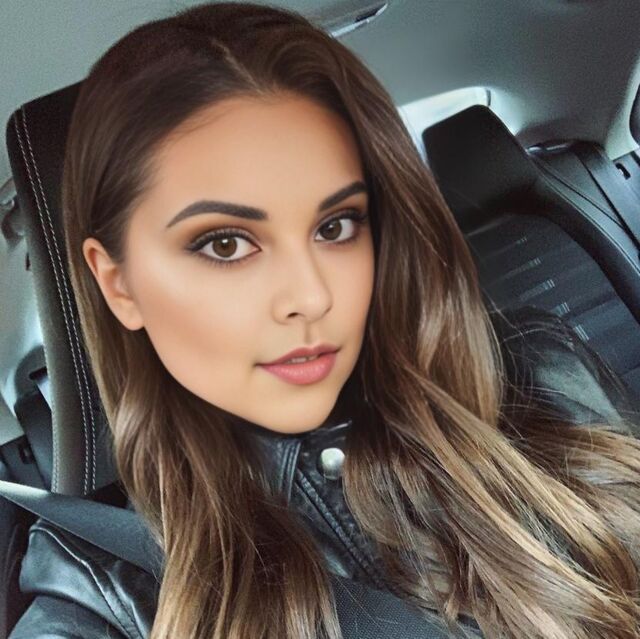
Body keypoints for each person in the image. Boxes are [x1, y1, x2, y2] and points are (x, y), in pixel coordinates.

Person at [9, 2, 640, 638]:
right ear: (119, 285)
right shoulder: (101, 590)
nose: (311, 297)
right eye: (225, 243)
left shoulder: (541, 376)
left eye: (336, 227)